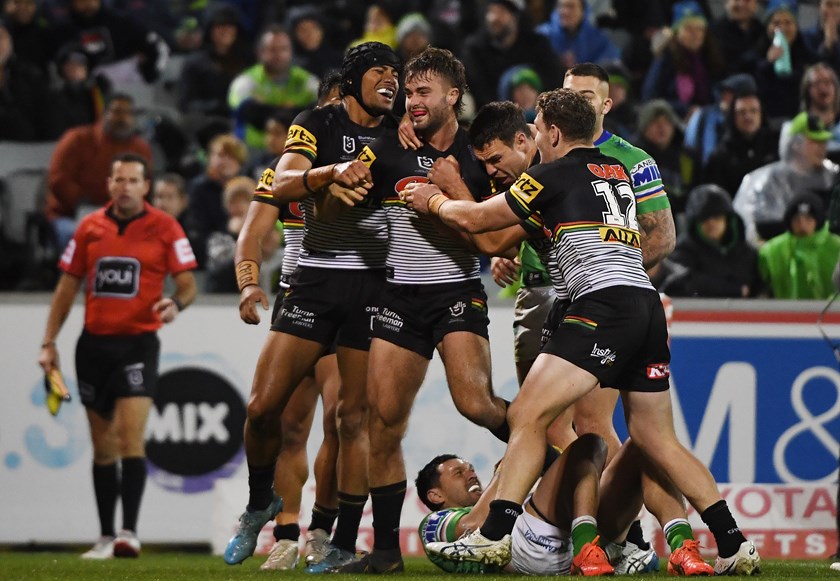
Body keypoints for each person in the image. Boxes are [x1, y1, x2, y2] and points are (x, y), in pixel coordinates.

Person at [405, 87, 760, 576]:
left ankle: (491, 536)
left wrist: (435, 200)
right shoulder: (614, 172)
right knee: (655, 439)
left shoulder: (549, 174)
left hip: (600, 305)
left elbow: (481, 220)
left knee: (529, 412)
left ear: (551, 131)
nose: (535, 137)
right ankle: (732, 540)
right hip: (645, 304)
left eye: (537, 129)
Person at [327, 46, 520, 575]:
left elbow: (502, 235)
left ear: (452, 96)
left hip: (456, 291)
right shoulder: (387, 144)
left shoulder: (479, 154)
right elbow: (342, 196)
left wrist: (459, 197)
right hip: (399, 297)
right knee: (382, 422)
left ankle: (545, 455)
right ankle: (386, 551)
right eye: (409, 93)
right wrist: (335, 186)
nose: (412, 101)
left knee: (477, 405)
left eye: (423, 92)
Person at [222, 41, 401, 567]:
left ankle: (326, 534)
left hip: (369, 288)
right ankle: (268, 513)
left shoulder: (394, 138)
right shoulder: (302, 153)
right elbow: (251, 234)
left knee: (347, 422)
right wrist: (250, 285)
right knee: (270, 413)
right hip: (308, 288)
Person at [37, 153, 197, 559]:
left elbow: (188, 285)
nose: (125, 186)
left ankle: (129, 532)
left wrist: (176, 305)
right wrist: (48, 341)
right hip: (92, 346)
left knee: (130, 438)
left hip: (138, 345)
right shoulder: (89, 227)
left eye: (133, 180)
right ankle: (106, 536)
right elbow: (67, 287)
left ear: (146, 187)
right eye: (119, 179)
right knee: (102, 446)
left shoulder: (165, 227)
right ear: (109, 184)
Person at [417, 437, 715, 576]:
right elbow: (473, 526)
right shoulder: (436, 523)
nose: (470, 473)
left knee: (645, 445)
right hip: (534, 548)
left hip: (579, 543)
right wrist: (507, 470)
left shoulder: (506, 499)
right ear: (435, 496)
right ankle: (588, 549)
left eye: (470, 468)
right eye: (458, 473)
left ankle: (682, 549)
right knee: (590, 445)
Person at [45, 93, 153, 252]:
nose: (122, 118)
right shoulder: (76, 139)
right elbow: (58, 180)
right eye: (116, 112)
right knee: (81, 238)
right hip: (71, 215)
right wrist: (86, 205)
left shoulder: (141, 148)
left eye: (127, 113)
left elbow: (144, 187)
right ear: (104, 114)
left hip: (123, 218)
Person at [734, 111, 840, 246]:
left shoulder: (833, 176)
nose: (822, 147)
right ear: (796, 143)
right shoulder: (767, 181)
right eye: (814, 141)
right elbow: (748, 227)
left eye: (823, 141)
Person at [227, 25, 319, 150]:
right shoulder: (246, 81)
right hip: (254, 151)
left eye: (283, 49)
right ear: (260, 52)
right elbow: (247, 111)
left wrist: (267, 110)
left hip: (297, 151)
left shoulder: (307, 81)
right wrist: (295, 112)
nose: (278, 55)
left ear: (291, 51)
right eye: (272, 49)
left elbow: (323, 109)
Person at [460, 0, 563, 108]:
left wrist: (531, 90)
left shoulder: (537, 44)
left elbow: (554, 77)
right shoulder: (475, 48)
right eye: (491, 12)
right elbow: (478, 88)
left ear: (515, 16)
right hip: (493, 114)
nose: (493, 18)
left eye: (501, 12)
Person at [665, 184, 759, 297]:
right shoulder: (681, 252)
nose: (711, 223)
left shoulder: (747, 252)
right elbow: (684, 283)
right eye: (704, 218)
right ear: (695, 223)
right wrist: (735, 290)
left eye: (717, 216)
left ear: (728, 219)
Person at [758, 192, 840, 298]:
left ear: (818, 220)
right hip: (786, 312)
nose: (802, 225)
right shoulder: (771, 251)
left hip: (832, 312)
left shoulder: (836, 246)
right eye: (796, 219)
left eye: (808, 219)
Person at [702, 91, 779, 197]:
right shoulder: (720, 155)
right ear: (733, 117)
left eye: (753, 111)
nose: (748, 116)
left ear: (761, 114)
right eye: (742, 112)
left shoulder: (776, 147)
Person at [535, 0, 621, 70]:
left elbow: (611, 61)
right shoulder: (542, 35)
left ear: (583, 11)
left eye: (571, 7)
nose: (565, 11)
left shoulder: (596, 37)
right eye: (561, 6)